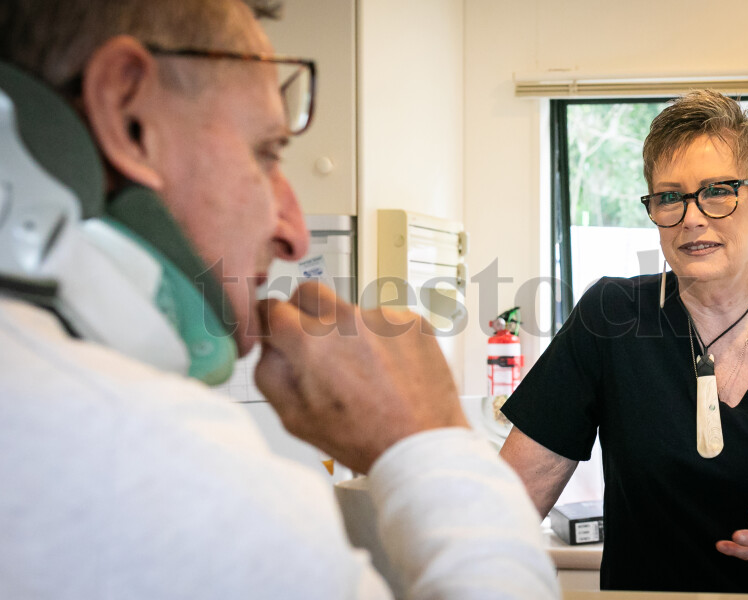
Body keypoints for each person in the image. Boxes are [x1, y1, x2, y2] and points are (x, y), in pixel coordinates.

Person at [0, 1, 559, 598]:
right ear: (125, 108)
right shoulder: (148, 457)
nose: (294, 232)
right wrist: (428, 441)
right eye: (266, 151)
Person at [499, 89, 748, 593]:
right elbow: (506, 511)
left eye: (718, 191)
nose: (691, 216)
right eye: (669, 196)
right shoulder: (612, 318)